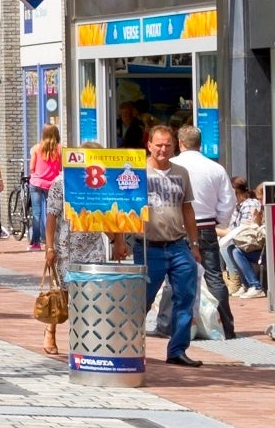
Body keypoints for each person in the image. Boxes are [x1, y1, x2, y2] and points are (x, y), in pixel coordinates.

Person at [42, 140, 127, 356]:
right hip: (66, 245)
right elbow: (51, 216)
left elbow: (110, 214)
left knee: (92, 291)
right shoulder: (61, 182)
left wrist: (118, 240)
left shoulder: (102, 183)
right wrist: (49, 247)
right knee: (64, 292)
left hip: (92, 246)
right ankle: (51, 329)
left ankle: (84, 337)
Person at [137, 125, 203, 367]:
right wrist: (119, 239)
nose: (163, 149)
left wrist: (194, 244)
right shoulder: (138, 171)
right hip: (148, 246)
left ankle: (177, 350)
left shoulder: (181, 173)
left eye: (167, 145)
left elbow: (187, 208)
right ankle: (132, 346)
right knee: (141, 300)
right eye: (158, 145)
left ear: (174, 146)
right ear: (149, 145)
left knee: (186, 298)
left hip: (178, 245)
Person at [171, 125, 237, 340]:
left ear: (180, 143)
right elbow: (228, 200)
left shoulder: (172, 166)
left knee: (173, 277)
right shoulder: (215, 168)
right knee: (214, 277)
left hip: (178, 227)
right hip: (206, 225)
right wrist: (218, 220)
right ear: (200, 143)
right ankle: (226, 326)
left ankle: (171, 326)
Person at [220, 177, 266, 299]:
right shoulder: (238, 206)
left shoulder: (250, 204)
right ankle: (246, 284)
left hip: (260, 248)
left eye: (261, 199)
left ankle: (254, 285)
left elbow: (243, 231)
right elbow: (233, 229)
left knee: (233, 249)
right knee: (230, 248)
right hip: (258, 246)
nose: (259, 202)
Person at [26, 124, 61, 250]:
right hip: (52, 185)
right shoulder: (60, 149)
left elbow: (31, 167)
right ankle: (50, 243)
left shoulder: (36, 148)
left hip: (36, 183)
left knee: (36, 213)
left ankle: (36, 243)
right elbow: (61, 168)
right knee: (51, 213)